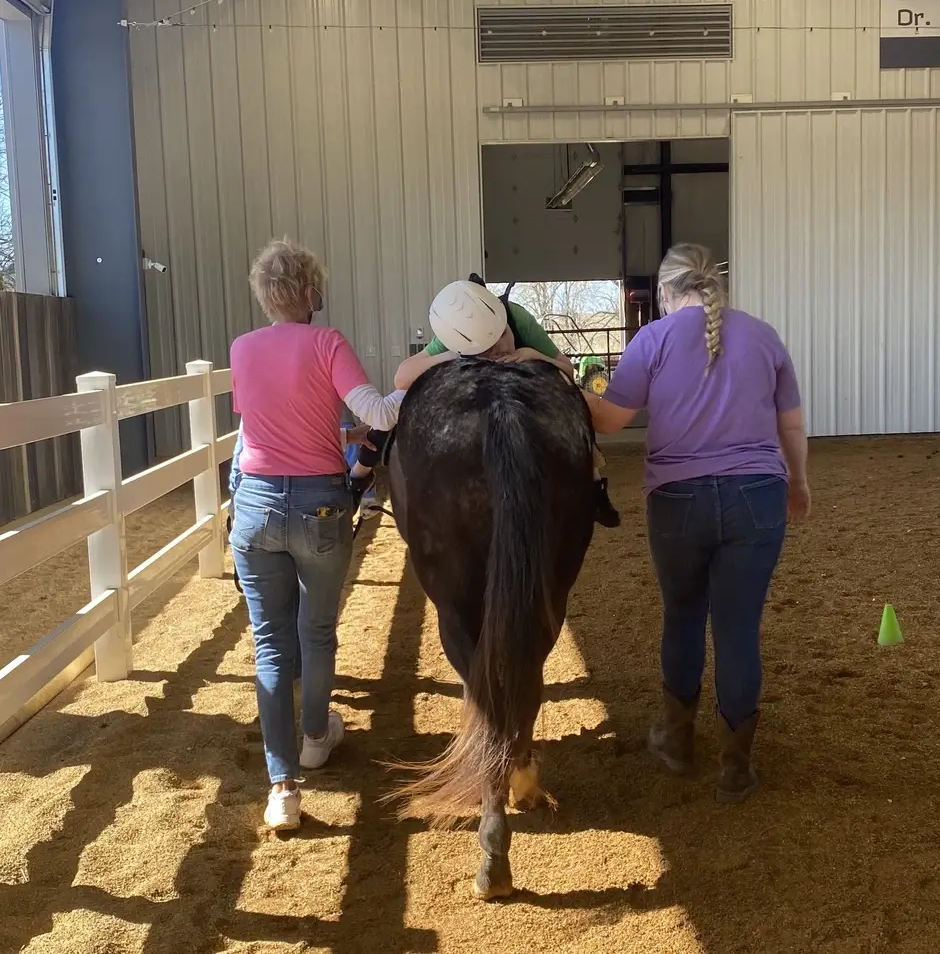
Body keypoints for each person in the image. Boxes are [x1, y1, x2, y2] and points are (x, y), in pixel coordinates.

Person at [582, 243, 811, 803]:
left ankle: (678, 742)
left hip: (678, 500)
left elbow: (610, 421)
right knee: (738, 630)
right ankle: (736, 766)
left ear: (664, 293)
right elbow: (792, 424)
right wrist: (799, 483)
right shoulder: (763, 334)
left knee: (683, 617)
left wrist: (567, 387)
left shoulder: (652, 340)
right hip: (758, 494)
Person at [230, 236, 405, 831]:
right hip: (319, 508)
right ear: (309, 292)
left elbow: (273, 425)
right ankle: (314, 736)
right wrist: (418, 375)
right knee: (318, 630)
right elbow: (381, 414)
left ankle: (282, 786)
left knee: (271, 643)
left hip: (256, 505)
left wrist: (341, 435)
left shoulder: (243, 349)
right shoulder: (327, 342)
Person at [389, 276, 621, 528]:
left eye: (502, 335)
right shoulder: (455, 330)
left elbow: (566, 369)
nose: (499, 347)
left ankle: (594, 480)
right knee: (389, 421)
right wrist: (455, 352)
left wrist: (531, 354)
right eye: (486, 347)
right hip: (476, 385)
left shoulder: (517, 316)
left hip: (529, 376)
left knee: (575, 403)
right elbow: (402, 377)